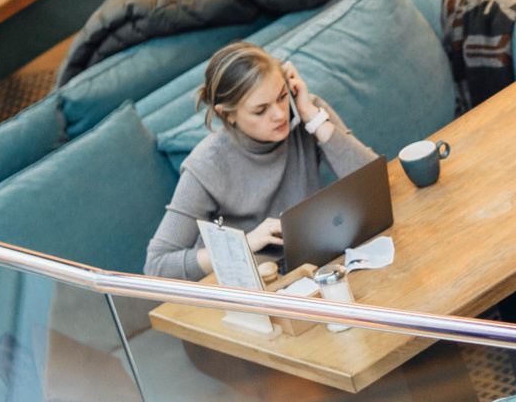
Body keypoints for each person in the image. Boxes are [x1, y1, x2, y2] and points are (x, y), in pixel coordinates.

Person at [146, 41, 376, 280]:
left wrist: (312, 117)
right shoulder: (207, 166)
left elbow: (374, 184)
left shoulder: (308, 115)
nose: (279, 114)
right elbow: (157, 265)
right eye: (260, 110)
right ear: (228, 114)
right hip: (258, 283)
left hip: (313, 263)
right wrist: (243, 244)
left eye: (282, 96)